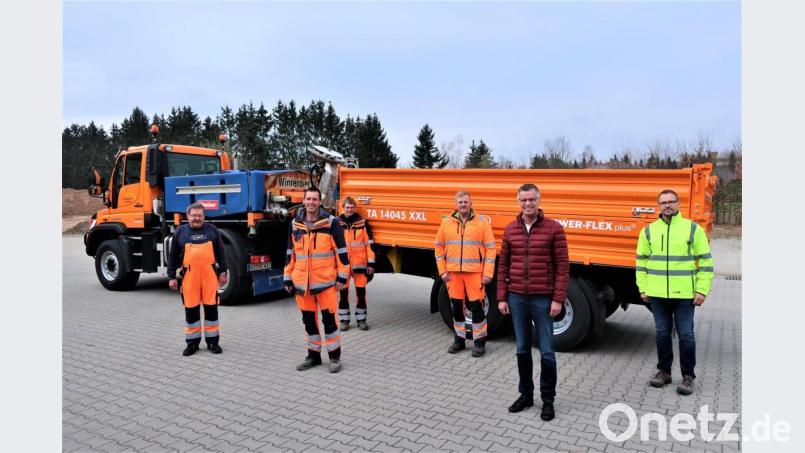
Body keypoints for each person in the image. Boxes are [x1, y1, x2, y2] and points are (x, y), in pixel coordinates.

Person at [497, 183, 568, 421]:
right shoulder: (510, 230)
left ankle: (548, 400)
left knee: (547, 352)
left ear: (539, 200)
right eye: (523, 200)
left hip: (542, 299)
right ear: (518, 201)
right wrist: (501, 297)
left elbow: (562, 267)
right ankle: (526, 395)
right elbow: (503, 266)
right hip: (517, 298)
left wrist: (558, 299)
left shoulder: (554, 229)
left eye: (532, 199)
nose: (528, 204)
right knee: (522, 349)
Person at [636, 189, 714, 395]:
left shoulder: (692, 229)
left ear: (679, 204)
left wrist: (702, 290)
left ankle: (688, 376)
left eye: (671, 201)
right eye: (663, 202)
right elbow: (641, 261)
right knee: (662, 334)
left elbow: (705, 261)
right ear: (659, 206)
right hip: (657, 294)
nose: (667, 205)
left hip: (684, 295)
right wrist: (643, 288)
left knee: (686, 335)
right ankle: (664, 372)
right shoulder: (649, 231)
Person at [284, 187, 351, 373]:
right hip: (302, 285)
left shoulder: (331, 223)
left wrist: (342, 276)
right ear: (303, 201)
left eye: (315, 199)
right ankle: (313, 356)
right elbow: (290, 254)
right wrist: (287, 278)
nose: (311, 202)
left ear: (319, 202)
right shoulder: (295, 224)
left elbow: (343, 252)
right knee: (309, 322)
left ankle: (335, 358)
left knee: (330, 322)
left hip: (326, 284)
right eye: (308, 199)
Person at [434, 191, 496, 357]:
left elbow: (491, 248)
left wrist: (488, 273)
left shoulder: (482, 222)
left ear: (471, 203)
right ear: (456, 203)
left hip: (475, 273)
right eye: (460, 202)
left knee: (477, 308)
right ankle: (459, 340)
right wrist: (443, 271)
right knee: (456, 308)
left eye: (465, 202)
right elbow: (439, 247)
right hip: (453, 274)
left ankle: (480, 342)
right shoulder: (446, 222)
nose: (463, 205)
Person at [168, 202, 228, 356]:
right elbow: (173, 256)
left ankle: (213, 343)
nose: (197, 218)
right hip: (189, 278)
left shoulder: (212, 230)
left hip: (209, 277)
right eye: (194, 215)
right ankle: (192, 344)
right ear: (188, 216)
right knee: (191, 311)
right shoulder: (180, 232)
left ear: (204, 216)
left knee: (211, 311)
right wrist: (171, 277)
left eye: (200, 215)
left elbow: (221, 253)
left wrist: (223, 272)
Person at [337, 197, 376, 331]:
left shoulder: (363, 224)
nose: (349, 210)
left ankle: (361, 320)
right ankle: (344, 321)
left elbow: (369, 246)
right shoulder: (337, 223)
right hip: (343, 266)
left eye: (351, 207)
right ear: (343, 208)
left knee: (361, 294)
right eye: (347, 207)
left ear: (354, 208)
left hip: (360, 265)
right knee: (343, 294)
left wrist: (371, 264)